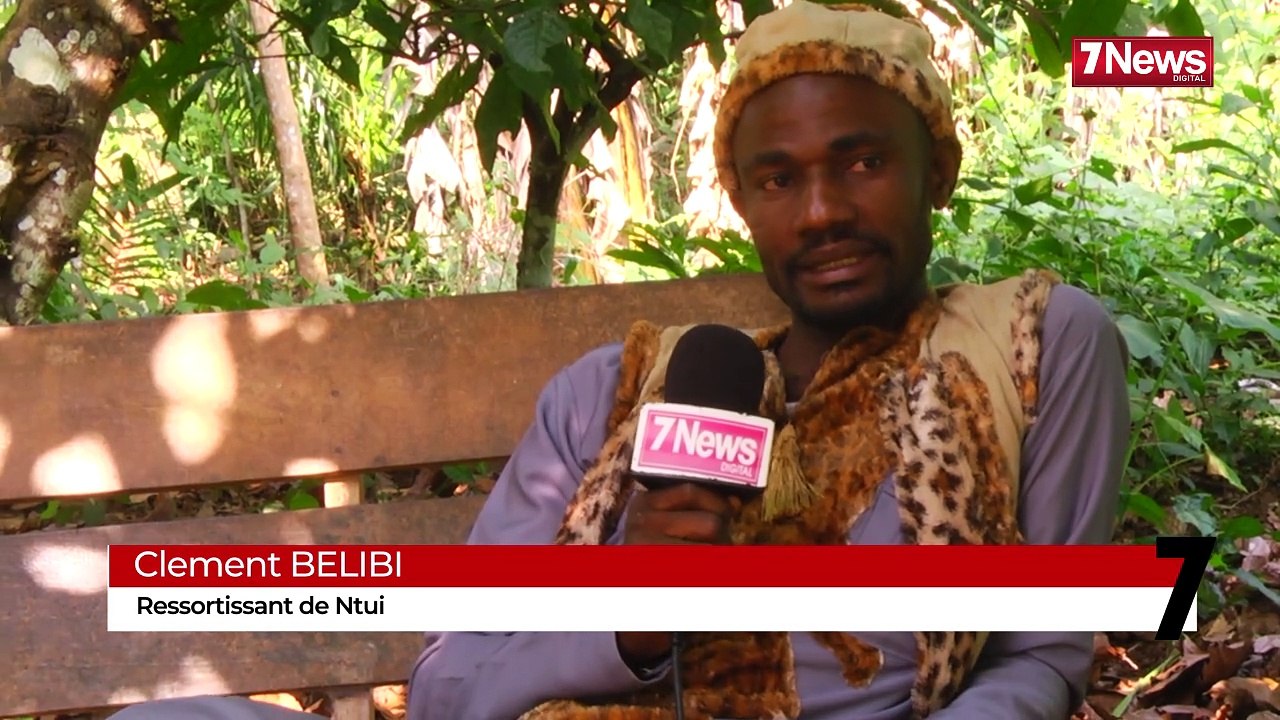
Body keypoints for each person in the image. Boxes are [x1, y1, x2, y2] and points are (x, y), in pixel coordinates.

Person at [114, 1, 1130, 719]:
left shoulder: (1028, 346)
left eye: (860, 162)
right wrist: (631, 625)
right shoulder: (609, 394)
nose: (820, 211)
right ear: (743, 204)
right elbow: (448, 687)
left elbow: (1041, 659)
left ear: (932, 171)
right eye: (777, 179)